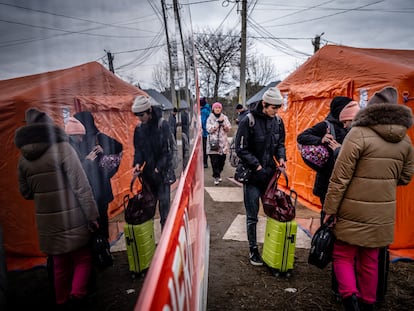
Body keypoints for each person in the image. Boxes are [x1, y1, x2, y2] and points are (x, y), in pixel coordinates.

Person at [323, 86, 414, 311]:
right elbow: (405, 177)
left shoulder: (357, 134)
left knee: (342, 254)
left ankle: (350, 299)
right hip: (382, 212)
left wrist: (329, 210)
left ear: (370, 109)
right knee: (371, 259)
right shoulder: (405, 141)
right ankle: (368, 304)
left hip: (351, 208)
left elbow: (339, 177)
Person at [15, 108, 99, 309]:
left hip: (47, 223)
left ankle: (61, 302)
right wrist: (92, 215)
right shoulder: (63, 149)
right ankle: (77, 297)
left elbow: (25, 193)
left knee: (59, 263)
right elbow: (81, 186)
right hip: (73, 217)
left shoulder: (23, 159)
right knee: (83, 259)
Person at [235, 87, 287, 266]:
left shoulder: (278, 121)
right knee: (252, 216)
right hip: (252, 176)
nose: (276, 111)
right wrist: (256, 165)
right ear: (264, 104)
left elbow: (281, 143)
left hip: (270, 175)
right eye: (274, 108)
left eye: (278, 108)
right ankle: (253, 249)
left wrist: (281, 158)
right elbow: (240, 149)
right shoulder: (248, 120)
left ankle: (273, 247)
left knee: (274, 211)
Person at [73, 111, 123, 240]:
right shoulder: (75, 140)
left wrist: (104, 149)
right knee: (98, 220)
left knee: (99, 220)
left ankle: (102, 247)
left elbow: (119, 147)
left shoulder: (97, 137)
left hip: (95, 187)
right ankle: (102, 246)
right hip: (95, 187)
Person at [297, 96, 353, 209]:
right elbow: (302, 137)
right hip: (327, 181)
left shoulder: (352, 127)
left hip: (344, 180)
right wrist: (320, 140)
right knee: (327, 215)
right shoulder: (326, 125)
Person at [132, 95, 175, 230]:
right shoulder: (139, 129)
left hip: (163, 175)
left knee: (165, 210)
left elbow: (167, 151)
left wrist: (159, 168)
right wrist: (137, 163)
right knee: (148, 207)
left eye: (142, 115)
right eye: (137, 115)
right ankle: (149, 240)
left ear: (149, 111)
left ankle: (166, 239)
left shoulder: (162, 125)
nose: (140, 118)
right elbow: (139, 149)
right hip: (149, 176)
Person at [206, 102, 231, 185]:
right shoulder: (210, 118)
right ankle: (216, 176)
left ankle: (218, 173)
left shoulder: (225, 117)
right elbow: (209, 129)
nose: (217, 109)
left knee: (222, 161)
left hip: (223, 144)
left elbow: (228, 128)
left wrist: (224, 124)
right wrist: (217, 123)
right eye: (216, 108)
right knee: (214, 161)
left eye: (219, 108)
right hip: (213, 144)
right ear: (213, 109)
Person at [200, 97, 211, 168]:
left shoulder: (203, 111)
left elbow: (203, 122)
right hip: (208, 132)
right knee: (206, 148)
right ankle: (205, 162)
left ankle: (205, 163)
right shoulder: (208, 109)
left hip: (204, 133)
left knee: (204, 148)